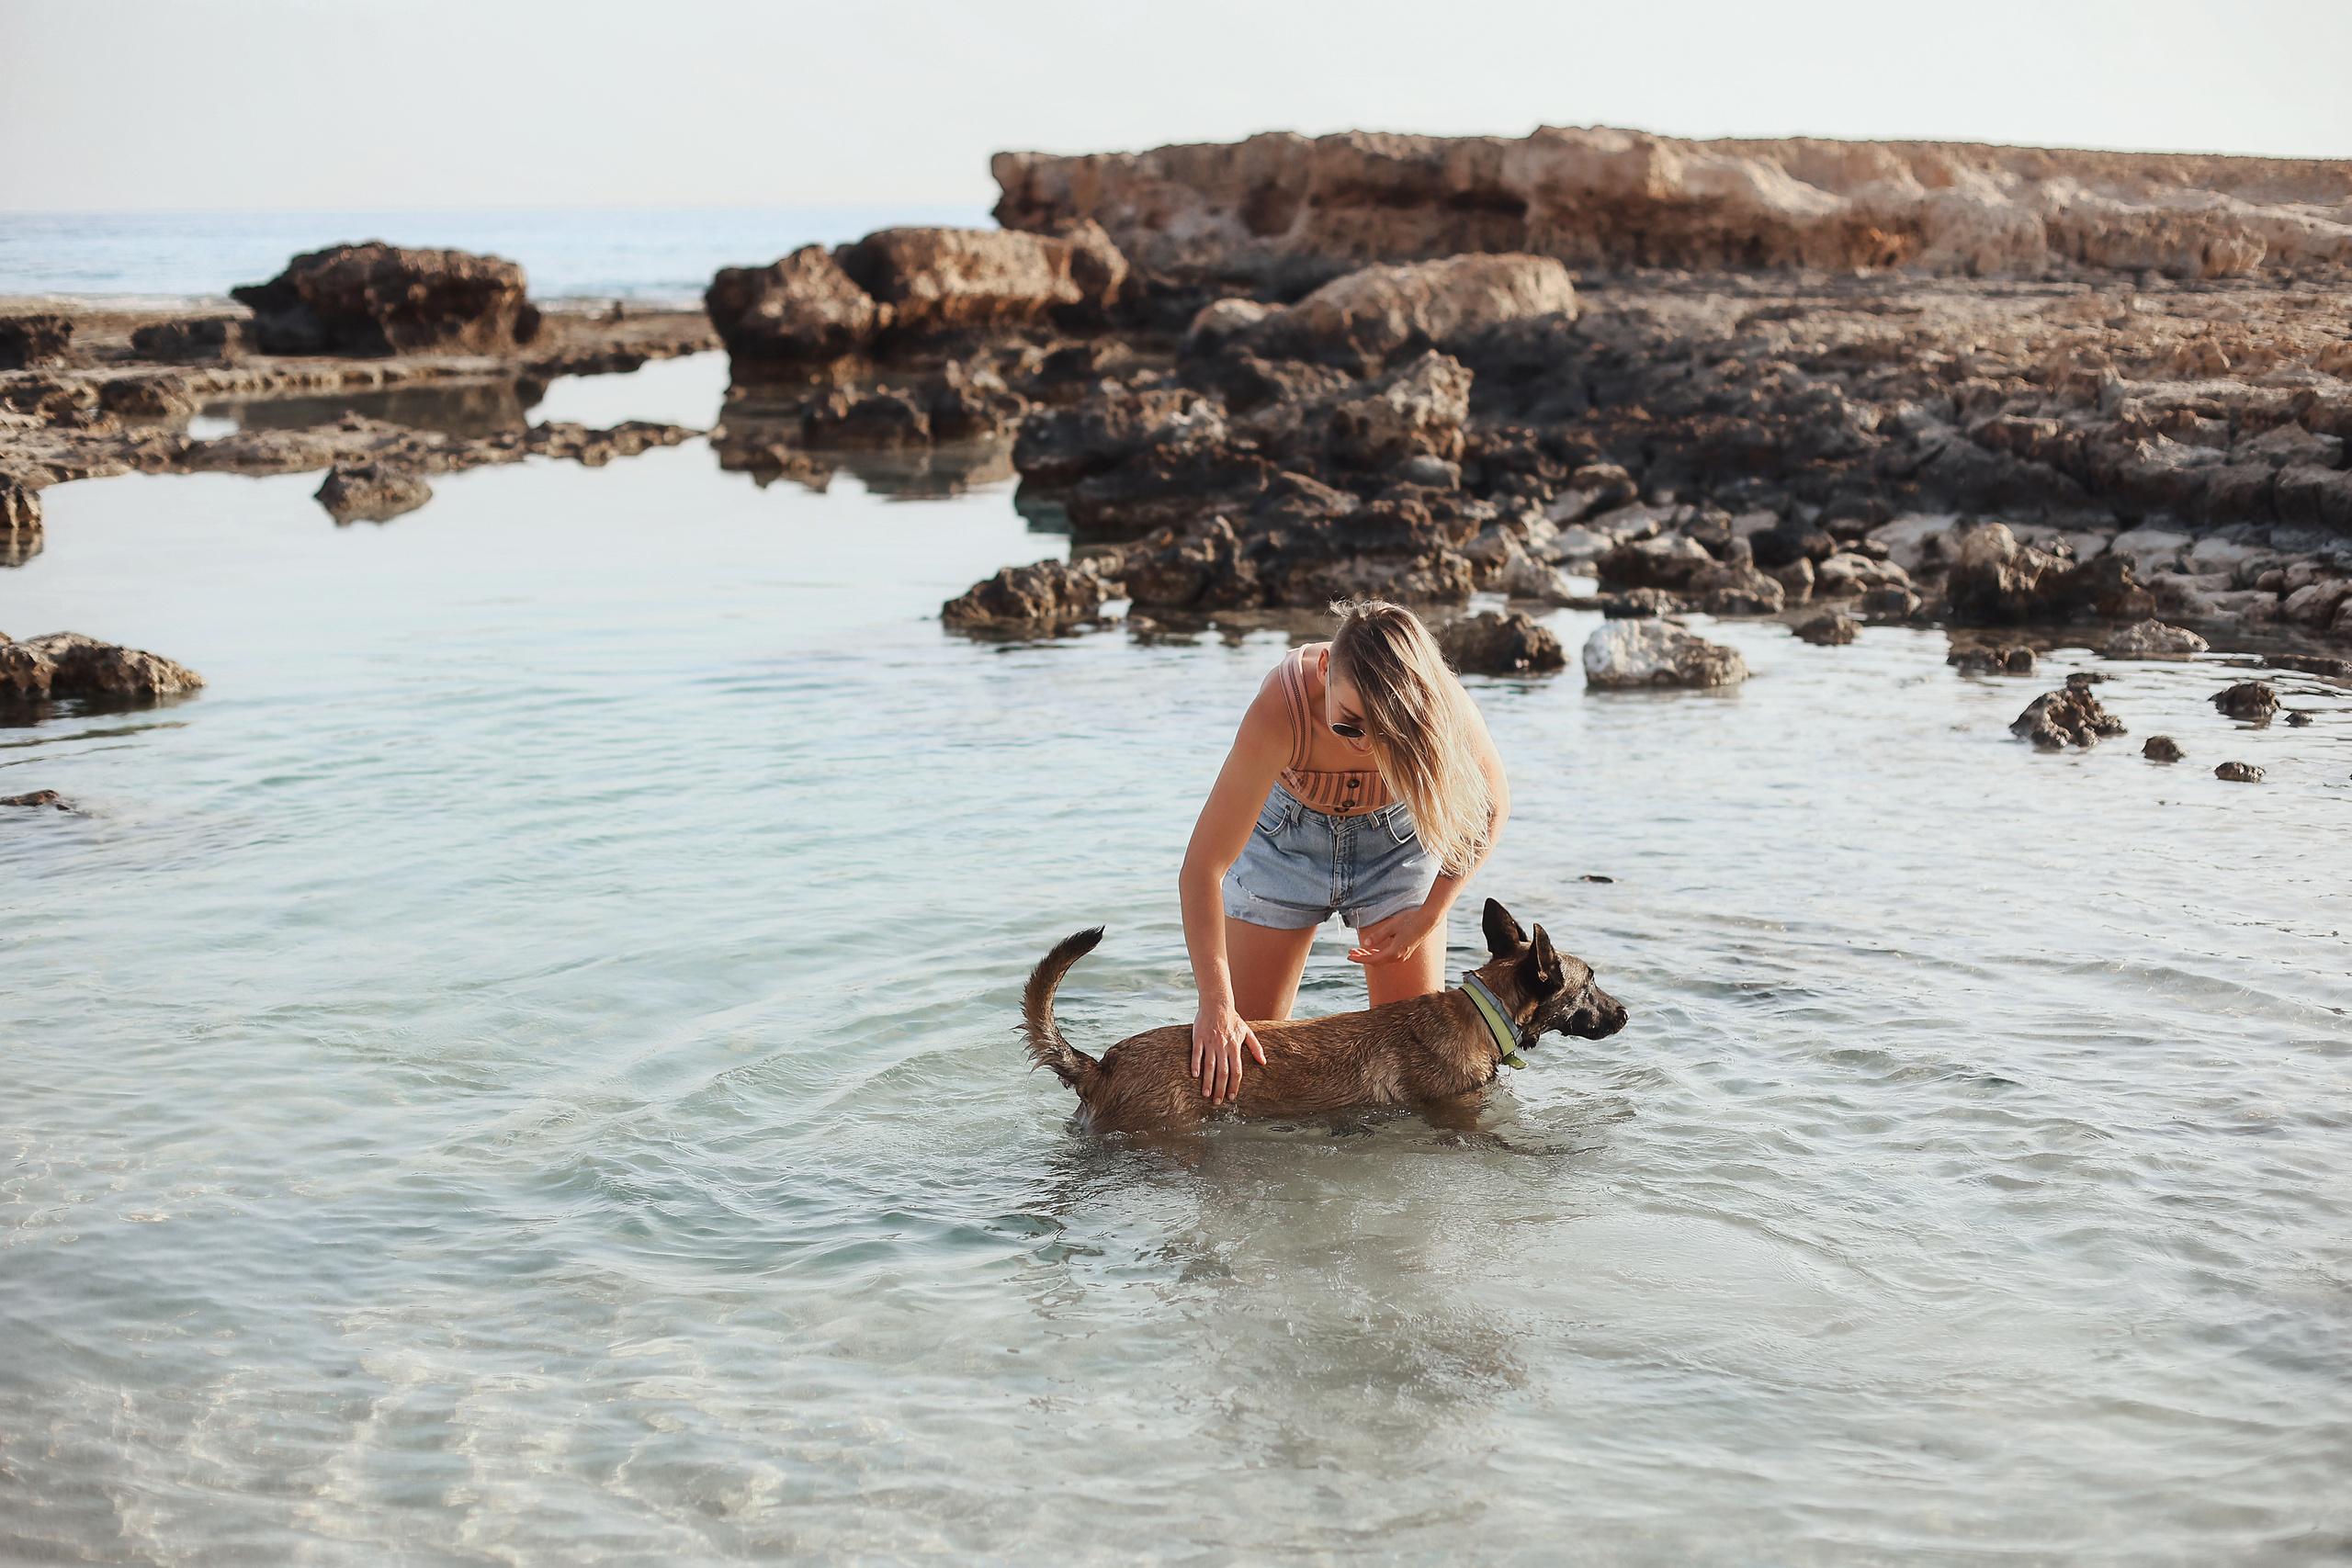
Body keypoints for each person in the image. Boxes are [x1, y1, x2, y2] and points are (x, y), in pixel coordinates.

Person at [1179, 600, 1511, 1104]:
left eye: (1386, 732)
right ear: (1325, 669)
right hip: (1284, 846)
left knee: (1422, 1077)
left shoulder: (1441, 704)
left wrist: (1430, 913)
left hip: (1396, 849)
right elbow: (1203, 867)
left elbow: (1492, 808)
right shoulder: (1282, 707)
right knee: (1238, 1072)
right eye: (1351, 724)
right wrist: (1215, 1003)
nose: (1366, 745)